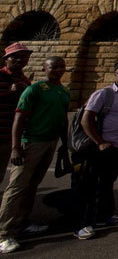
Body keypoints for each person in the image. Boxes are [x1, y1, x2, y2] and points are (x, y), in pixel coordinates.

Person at [0, 57, 69, 254]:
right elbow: (19, 117)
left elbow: (63, 118)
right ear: (44, 69)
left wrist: (64, 144)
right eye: (53, 67)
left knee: (31, 185)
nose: (57, 70)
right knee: (16, 187)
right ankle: (3, 233)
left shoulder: (63, 91)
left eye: (61, 67)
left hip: (50, 142)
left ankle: (21, 222)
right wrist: (16, 147)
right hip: (30, 142)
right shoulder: (35, 89)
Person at [72, 59, 118, 240]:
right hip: (102, 147)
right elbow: (86, 119)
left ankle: (105, 215)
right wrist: (99, 141)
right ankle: (82, 223)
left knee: (107, 182)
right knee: (90, 184)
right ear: (115, 74)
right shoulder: (104, 94)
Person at [0, 43, 33, 186]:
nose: (20, 60)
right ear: (6, 59)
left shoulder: (25, 81)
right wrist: (9, 92)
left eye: (24, 57)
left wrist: (27, 91)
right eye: (15, 57)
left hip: (8, 135)